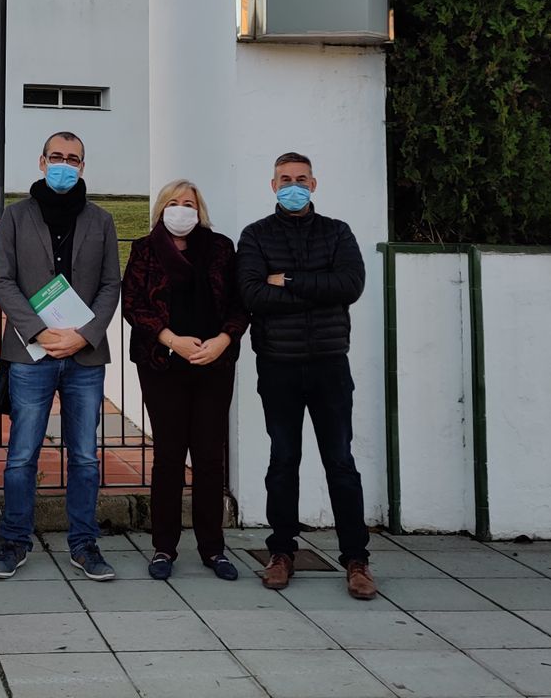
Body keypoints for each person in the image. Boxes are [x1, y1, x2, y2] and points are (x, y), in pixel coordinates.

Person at [236, 151, 376, 600]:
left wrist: (289, 281)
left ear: (313, 185)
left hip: (330, 364)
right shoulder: (255, 235)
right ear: (272, 185)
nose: (292, 185)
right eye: (284, 179)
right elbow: (253, 293)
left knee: (341, 462)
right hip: (277, 364)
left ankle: (356, 559)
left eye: (300, 178)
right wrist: (317, 288)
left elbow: (350, 286)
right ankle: (281, 553)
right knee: (283, 461)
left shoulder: (338, 232)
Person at [0, 131, 123, 582]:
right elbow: (1, 279)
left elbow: (110, 285)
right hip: (31, 353)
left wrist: (83, 336)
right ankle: (14, 541)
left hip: (84, 355)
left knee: (84, 455)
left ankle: (84, 545)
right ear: (42, 161)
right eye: (57, 157)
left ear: (83, 166)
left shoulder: (101, 219)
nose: (65, 164)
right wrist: (40, 331)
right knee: (22, 454)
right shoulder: (15, 215)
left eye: (74, 158)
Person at [121, 180, 248, 581]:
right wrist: (171, 338)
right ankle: (164, 547)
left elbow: (240, 303)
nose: (181, 209)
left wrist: (223, 339)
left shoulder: (222, 248)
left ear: (200, 209)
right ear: (161, 208)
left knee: (210, 457)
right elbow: (133, 304)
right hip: (163, 363)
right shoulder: (144, 249)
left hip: (213, 362)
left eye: (188, 203)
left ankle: (213, 548)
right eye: (173, 203)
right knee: (169, 458)